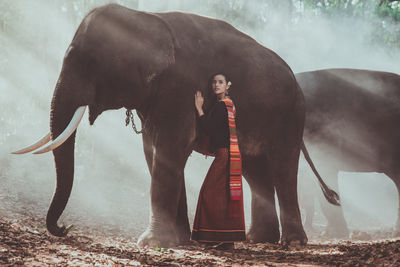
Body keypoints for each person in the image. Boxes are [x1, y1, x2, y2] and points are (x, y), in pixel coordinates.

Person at [192, 73, 245, 250]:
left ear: (227, 85)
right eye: (214, 82)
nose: (216, 85)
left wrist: (199, 108)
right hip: (230, 154)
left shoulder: (223, 106)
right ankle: (226, 239)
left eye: (220, 82)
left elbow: (210, 129)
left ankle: (214, 237)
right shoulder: (227, 105)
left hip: (225, 155)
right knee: (224, 196)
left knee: (209, 193)